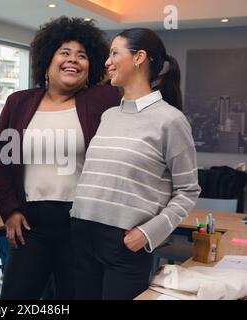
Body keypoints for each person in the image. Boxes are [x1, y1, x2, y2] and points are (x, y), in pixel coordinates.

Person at [0, 16, 120, 300]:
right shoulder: (19, 102)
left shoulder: (103, 100)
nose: (73, 60)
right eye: (65, 52)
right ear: (47, 60)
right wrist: (9, 210)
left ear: (91, 66)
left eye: (82, 55)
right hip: (29, 225)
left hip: (80, 228)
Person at [70, 28, 201, 300]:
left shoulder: (171, 121)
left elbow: (188, 190)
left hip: (125, 243)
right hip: (82, 234)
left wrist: (147, 233)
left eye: (114, 53)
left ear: (139, 58)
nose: (107, 62)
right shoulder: (109, 115)